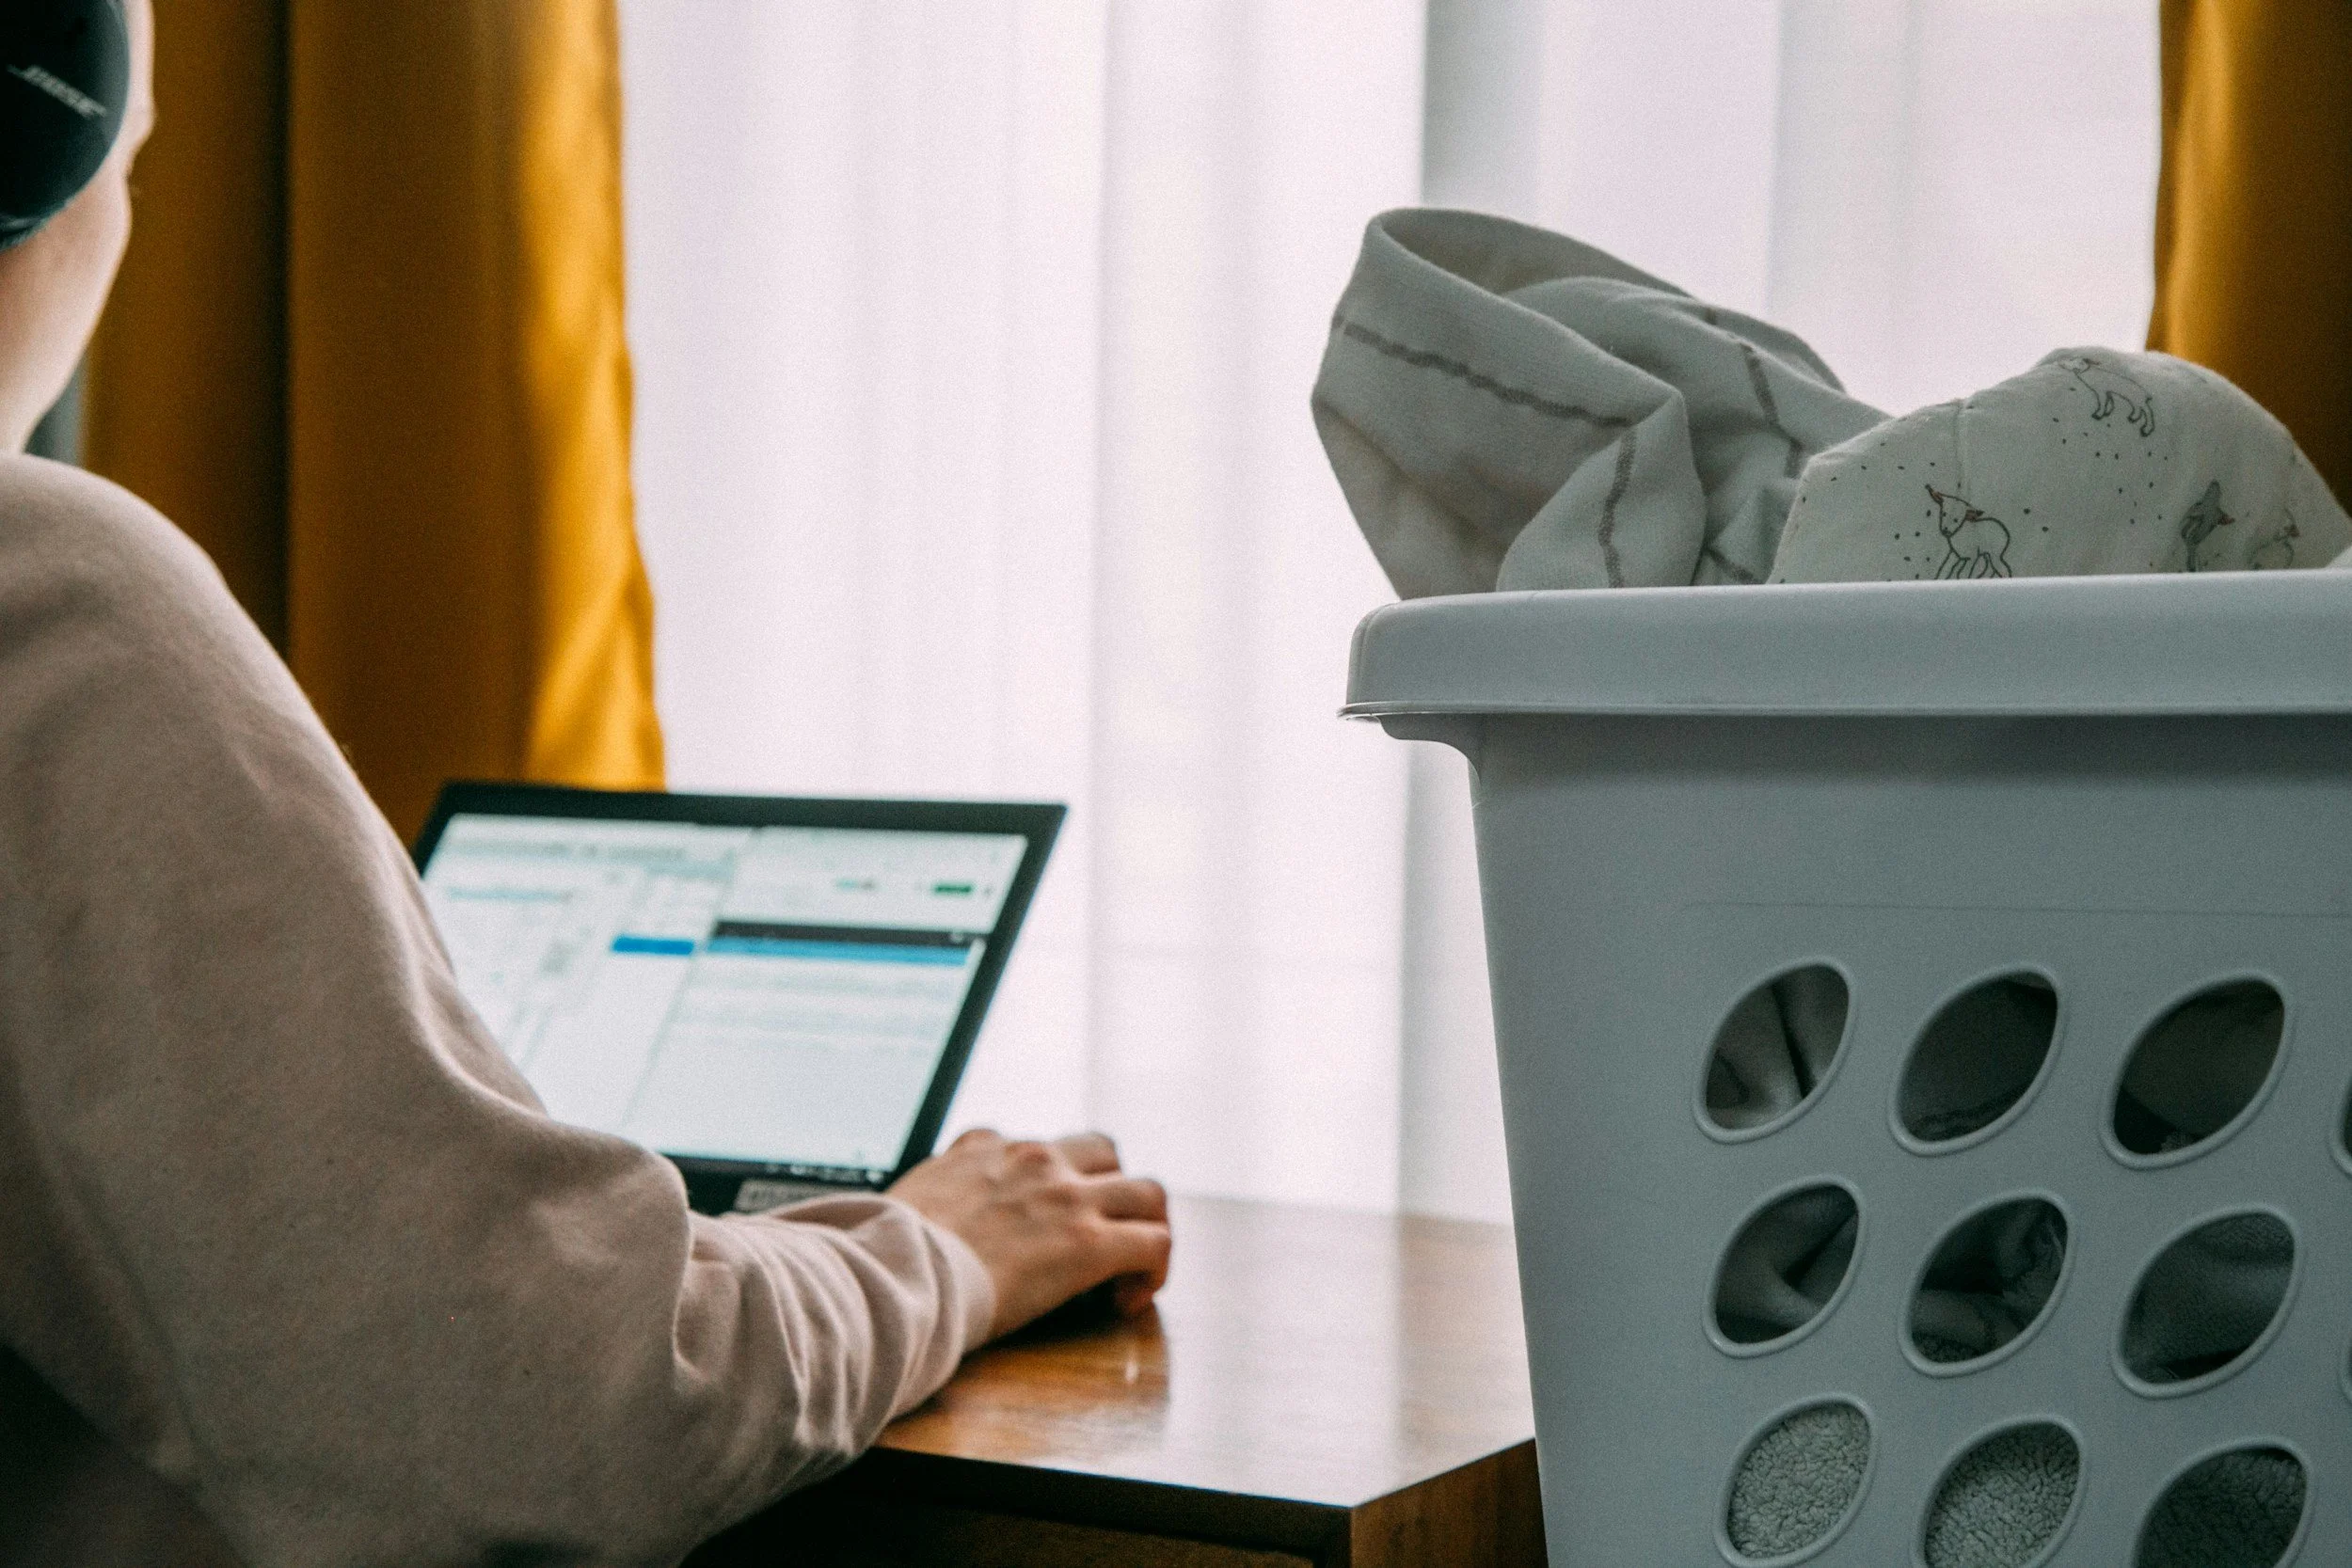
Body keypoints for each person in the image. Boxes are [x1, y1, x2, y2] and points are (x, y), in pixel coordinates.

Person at [0, 5, 1171, 1564]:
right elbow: (528, 1417)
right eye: (135, 162)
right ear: (43, 139)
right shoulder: (54, 594)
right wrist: (943, 1247)